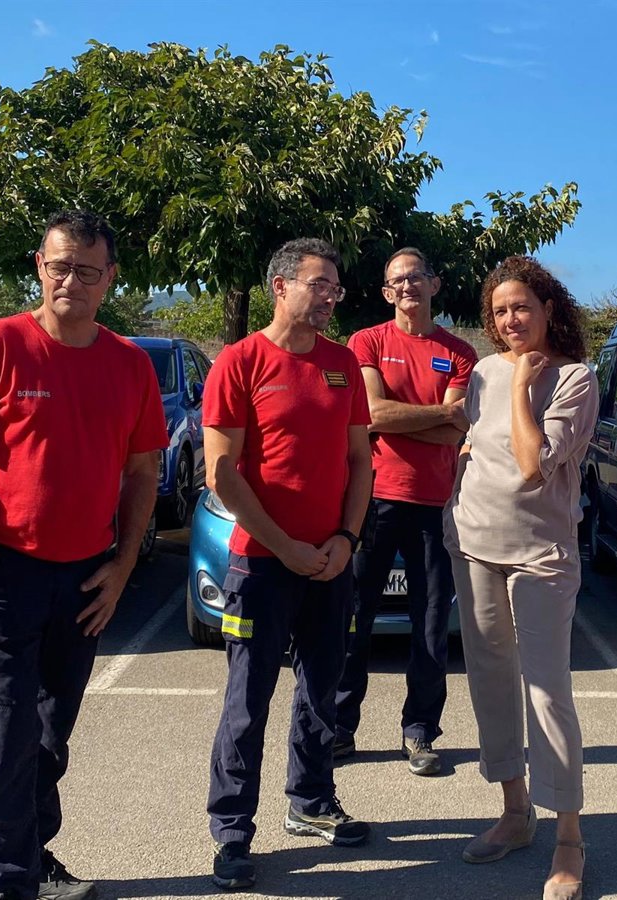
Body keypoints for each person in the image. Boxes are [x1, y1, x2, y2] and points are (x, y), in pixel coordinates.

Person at [0, 210, 167, 900]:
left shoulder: (130, 364)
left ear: (110, 278)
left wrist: (123, 566)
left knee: (48, 733)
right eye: (60, 266)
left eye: (87, 270)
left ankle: (32, 855)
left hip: (86, 576)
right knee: (4, 733)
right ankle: (5, 881)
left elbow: (143, 472)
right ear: (40, 266)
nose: (71, 280)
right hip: (3, 571)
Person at [203, 238, 372, 893]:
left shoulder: (342, 364)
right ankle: (231, 832)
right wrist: (285, 546)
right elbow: (223, 473)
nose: (330, 296)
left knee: (321, 690)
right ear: (280, 286)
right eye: (318, 284)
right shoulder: (240, 362)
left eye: (335, 287)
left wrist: (346, 540)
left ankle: (311, 801)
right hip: (261, 566)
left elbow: (359, 461)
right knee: (247, 703)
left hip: (331, 562)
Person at [444, 256, 597, 900]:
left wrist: (520, 387)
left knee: (546, 691)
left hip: (541, 555)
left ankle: (569, 839)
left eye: (522, 308)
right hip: (473, 543)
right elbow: (478, 440)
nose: (511, 320)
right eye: (500, 310)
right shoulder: (482, 372)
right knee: (491, 682)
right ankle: (514, 810)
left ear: (547, 309)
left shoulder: (575, 378)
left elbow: (534, 464)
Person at [333, 247, 477, 776]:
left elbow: (457, 430)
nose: (408, 285)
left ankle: (420, 731)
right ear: (386, 292)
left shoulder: (460, 352)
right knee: (354, 620)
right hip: (372, 501)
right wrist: (439, 414)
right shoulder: (367, 341)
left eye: (417, 276)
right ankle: (339, 728)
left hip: (436, 506)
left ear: (435, 284)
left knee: (431, 626)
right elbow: (372, 412)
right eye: (398, 280)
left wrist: (409, 420)